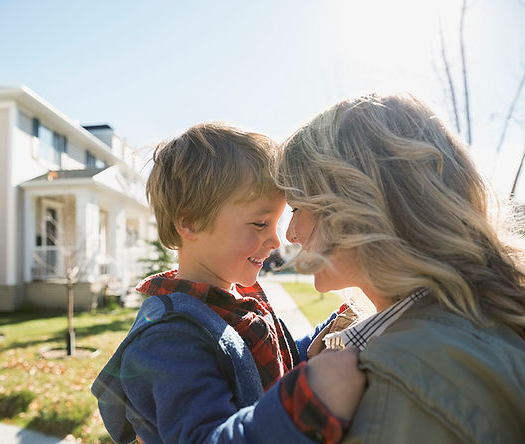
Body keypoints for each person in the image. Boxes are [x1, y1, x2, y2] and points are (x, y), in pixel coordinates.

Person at [275, 93, 525, 443]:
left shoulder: (409, 380)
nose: (290, 233)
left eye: (297, 206)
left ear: (356, 203)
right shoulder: (453, 334)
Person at [92, 123, 366, 444]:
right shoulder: (170, 339)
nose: (276, 240)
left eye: (276, 223)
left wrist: (333, 328)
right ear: (190, 221)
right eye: (260, 223)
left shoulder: (237, 296)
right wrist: (308, 404)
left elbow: (276, 365)